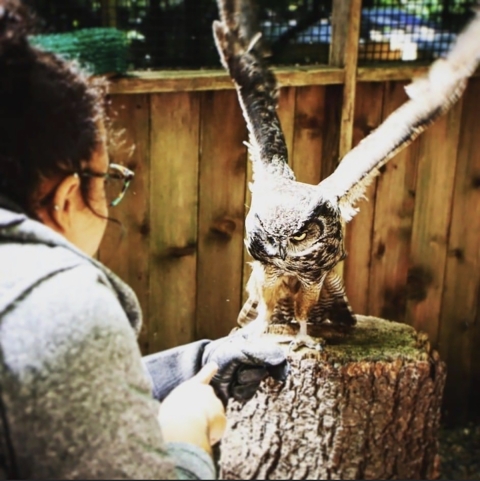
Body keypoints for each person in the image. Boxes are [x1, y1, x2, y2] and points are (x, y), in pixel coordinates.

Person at [0, 1, 289, 479]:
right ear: (69, 195)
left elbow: (48, 399)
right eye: (108, 179)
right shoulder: (55, 299)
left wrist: (192, 365)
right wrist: (186, 429)